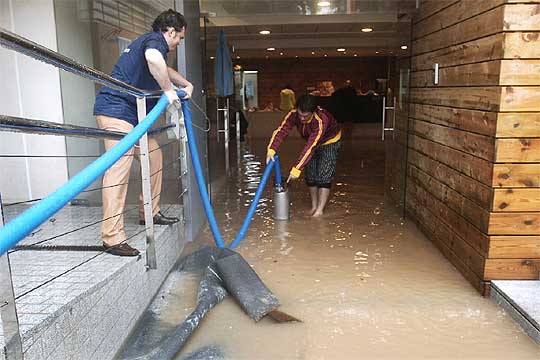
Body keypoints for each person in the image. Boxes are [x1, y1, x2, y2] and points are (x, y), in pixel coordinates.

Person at [93, 9, 193, 257]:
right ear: (170, 31)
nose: (179, 42)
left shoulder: (152, 45)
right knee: (119, 167)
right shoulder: (154, 42)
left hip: (133, 117)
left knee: (154, 156)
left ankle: (149, 212)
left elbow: (163, 68)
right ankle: (112, 237)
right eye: (179, 37)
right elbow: (153, 59)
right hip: (116, 112)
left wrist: (185, 84)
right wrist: (169, 91)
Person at [266, 94, 341, 217]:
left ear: (313, 112)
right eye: (300, 114)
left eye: (305, 116)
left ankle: (319, 210)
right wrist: (271, 150)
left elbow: (311, 146)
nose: (301, 118)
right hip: (312, 142)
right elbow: (282, 131)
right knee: (310, 174)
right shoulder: (294, 114)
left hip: (329, 141)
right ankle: (313, 206)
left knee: (324, 174)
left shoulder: (321, 120)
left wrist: (296, 169)